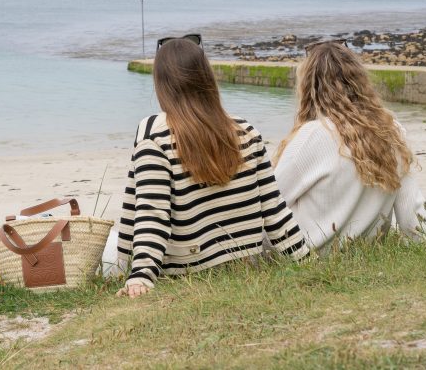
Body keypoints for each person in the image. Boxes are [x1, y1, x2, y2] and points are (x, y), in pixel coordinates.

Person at [116, 35, 308, 298]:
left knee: (110, 247)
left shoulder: (154, 137)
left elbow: (153, 214)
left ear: (161, 84)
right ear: (206, 77)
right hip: (244, 263)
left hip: (187, 271)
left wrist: (140, 275)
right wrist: (305, 258)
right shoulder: (246, 131)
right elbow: (274, 208)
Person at [273, 40, 426, 252]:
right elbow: (412, 212)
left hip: (303, 255)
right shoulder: (390, 130)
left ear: (308, 87)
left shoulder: (312, 135)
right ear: (360, 82)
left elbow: (269, 202)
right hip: (363, 252)